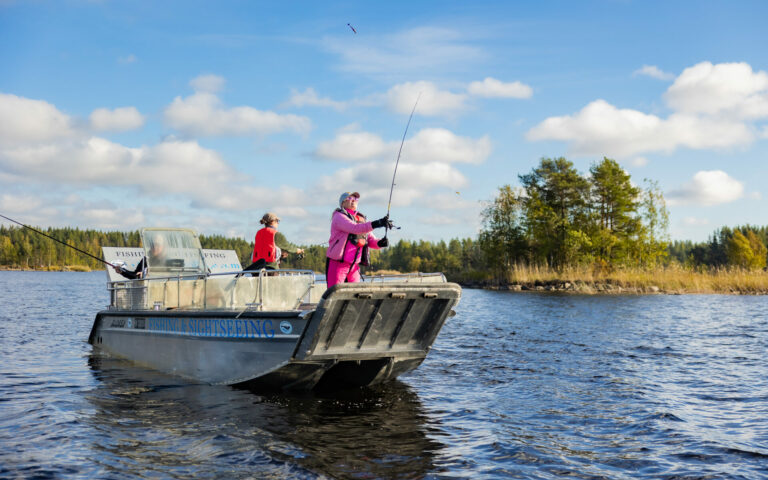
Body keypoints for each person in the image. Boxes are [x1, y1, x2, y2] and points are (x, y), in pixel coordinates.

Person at [326, 191, 393, 287]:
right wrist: (378, 223)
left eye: (355, 199)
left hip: (354, 267)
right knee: (334, 294)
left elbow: (370, 240)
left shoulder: (361, 219)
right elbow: (355, 228)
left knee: (354, 295)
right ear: (342, 203)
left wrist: (380, 243)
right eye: (349, 199)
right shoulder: (339, 217)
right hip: (338, 264)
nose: (353, 201)